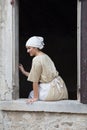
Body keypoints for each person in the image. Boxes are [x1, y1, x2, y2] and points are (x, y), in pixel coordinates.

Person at [19, 36, 68, 103]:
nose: (27, 51)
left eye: (29, 48)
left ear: (35, 47)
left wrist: (35, 97)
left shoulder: (37, 59)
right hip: (60, 89)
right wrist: (24, 72)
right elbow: (39, 76)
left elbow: (35, 81)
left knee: (31, 94)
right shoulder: (45, 56)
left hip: (49, 91)